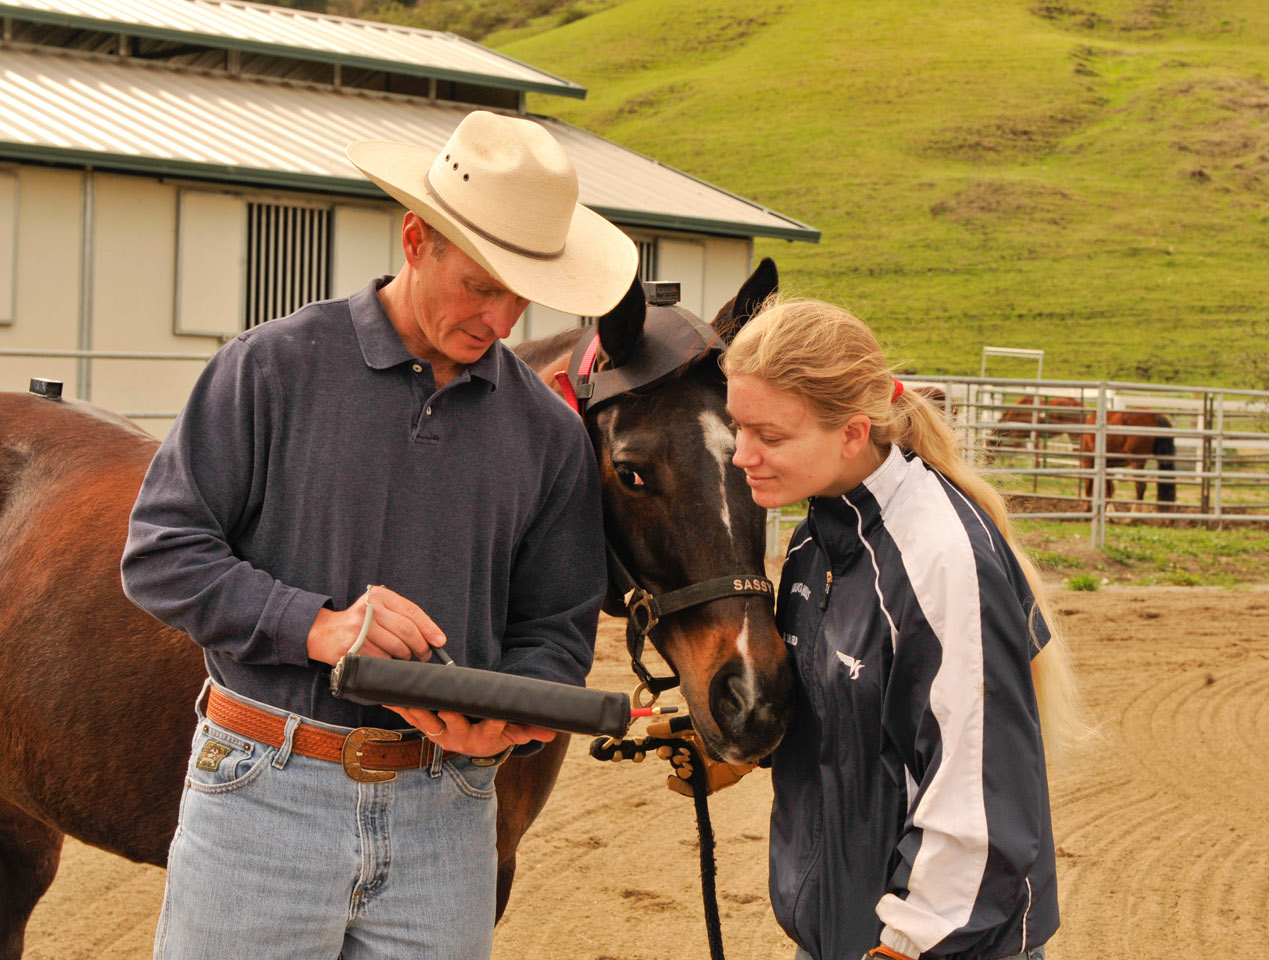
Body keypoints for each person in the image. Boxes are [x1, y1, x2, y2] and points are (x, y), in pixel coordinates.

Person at [121, 111, 638, 959]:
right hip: (263, 794)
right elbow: (162, 555)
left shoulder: (549, 433)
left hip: (450, 816)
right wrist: (319, 626)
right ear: (414, 238)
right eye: (480, 284)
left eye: (521, 295)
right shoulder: (269, 367)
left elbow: (553, 627)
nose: (501, 319)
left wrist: (506, 713)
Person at [720, 298, 1084, 960]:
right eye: (737, 427)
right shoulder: (815, 542)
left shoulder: (938, 559)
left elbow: (978, 789)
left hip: (930, 947)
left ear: (853, 433)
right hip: (843, 932)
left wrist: (906, 946)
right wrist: (743, 746)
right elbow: (853, 716)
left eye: (768, 436)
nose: (742, 455)